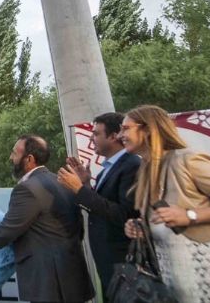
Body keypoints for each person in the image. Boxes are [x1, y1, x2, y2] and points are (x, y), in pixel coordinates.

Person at [0, 135, 94, 302]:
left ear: (29, 159)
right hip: (73, 275)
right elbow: (78, 228)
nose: (11, 158)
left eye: (14, 153)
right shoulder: (63, 182)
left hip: (48, 281)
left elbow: (9, 230)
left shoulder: (27, 189)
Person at [121, 105, 210, 302]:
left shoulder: (187, 160)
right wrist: (141, 227)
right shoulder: (146, 171)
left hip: (208, 281)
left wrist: (189, 216)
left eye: (126, 128)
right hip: (175, 287)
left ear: (148, 129)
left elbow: (184, 216)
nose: (120, 135)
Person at [57, 112, 140, 297]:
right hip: (109, 261)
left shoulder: (132, 165)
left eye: (96, 134)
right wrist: (86, 184)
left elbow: (124, 215)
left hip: (124, 260)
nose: (91, 139)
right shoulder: (105, 171)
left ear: (114, 136)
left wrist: (80, 190)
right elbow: (102, 207)